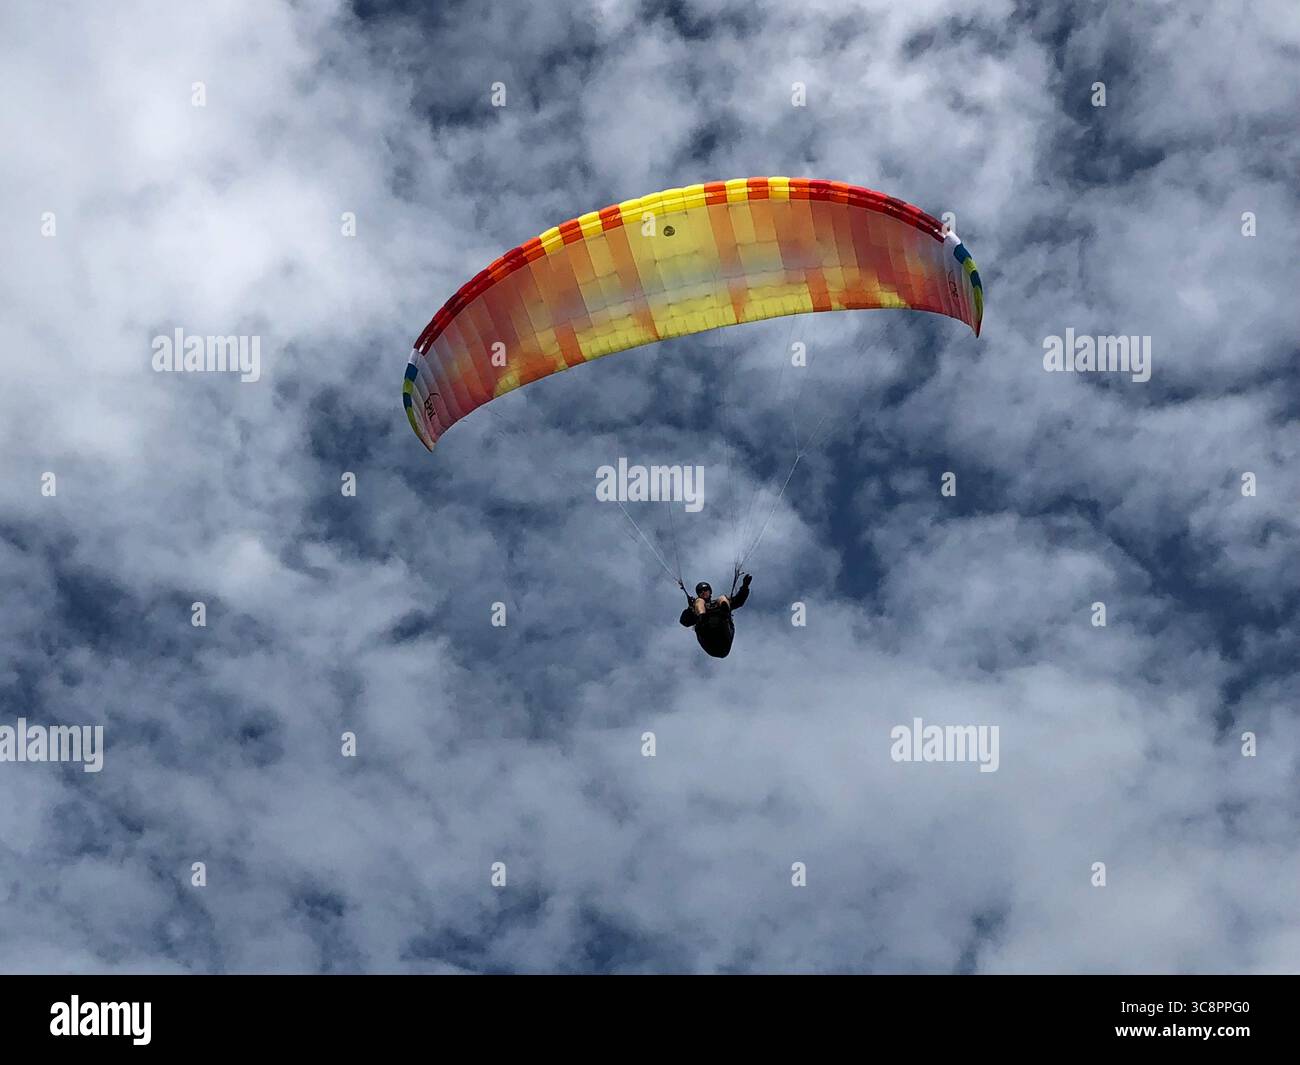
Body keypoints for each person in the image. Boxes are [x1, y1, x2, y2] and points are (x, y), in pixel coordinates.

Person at [678, 574, 752, 658]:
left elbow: (739, 601)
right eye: (700, 591)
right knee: (699, 602)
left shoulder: (717, 603)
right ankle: (703, 618)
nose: (703, 592)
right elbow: (684, 621)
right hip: (709, 640)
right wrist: (691, 608)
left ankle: (724, 612)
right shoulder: (696, 607)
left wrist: (745, 586)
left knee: (722, 598)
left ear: (710, 592)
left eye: (705, 590)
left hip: (723, 635)